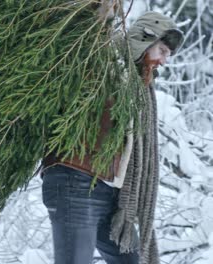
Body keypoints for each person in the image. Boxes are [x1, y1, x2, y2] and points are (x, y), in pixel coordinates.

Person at [41, 11, 184, 264]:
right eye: (162, 51)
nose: (164, 61)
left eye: (168, 55)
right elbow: (84, 35)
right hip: (75, 181)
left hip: (111, 194)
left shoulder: (138, 85)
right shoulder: (103, 62)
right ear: (144, 39)